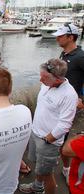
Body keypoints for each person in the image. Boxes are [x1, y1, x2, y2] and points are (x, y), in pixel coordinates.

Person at [19, 58, 78, 194]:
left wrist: (49, 139)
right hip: (36, 133)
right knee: (39, 167)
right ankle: (37, 186)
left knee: (47, 174)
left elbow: (65, 124)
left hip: (48, 141)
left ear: (57, 79)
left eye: (44, 77)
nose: (40, 80)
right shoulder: (46, 84)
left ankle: (44, 188)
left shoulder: (69, 95)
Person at [53, 23, 84, 183]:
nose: (57, 38)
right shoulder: (64, 54)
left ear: (70, 37)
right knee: (57, 136)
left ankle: (66, 169)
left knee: (61, 137)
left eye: (60, 36)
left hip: (69, 106)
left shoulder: (80, 57)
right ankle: (59, 159)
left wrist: (82, 100)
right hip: (57, 103)